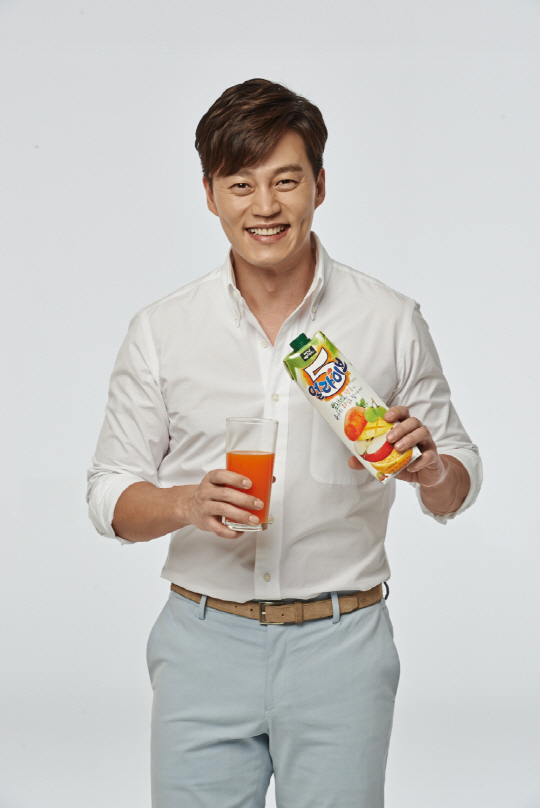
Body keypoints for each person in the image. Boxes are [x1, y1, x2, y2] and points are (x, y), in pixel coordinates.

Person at [87, 78, 482, 808]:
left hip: (343, 644)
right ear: (210, 195)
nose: (264, 206)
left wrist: (431, 470)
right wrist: (185, 503)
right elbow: (109, 495)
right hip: (202, 644)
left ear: (320, 187)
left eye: (286, 181)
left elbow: (459, 479)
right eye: (241, 184)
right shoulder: (162, 330)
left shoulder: (389, 319)